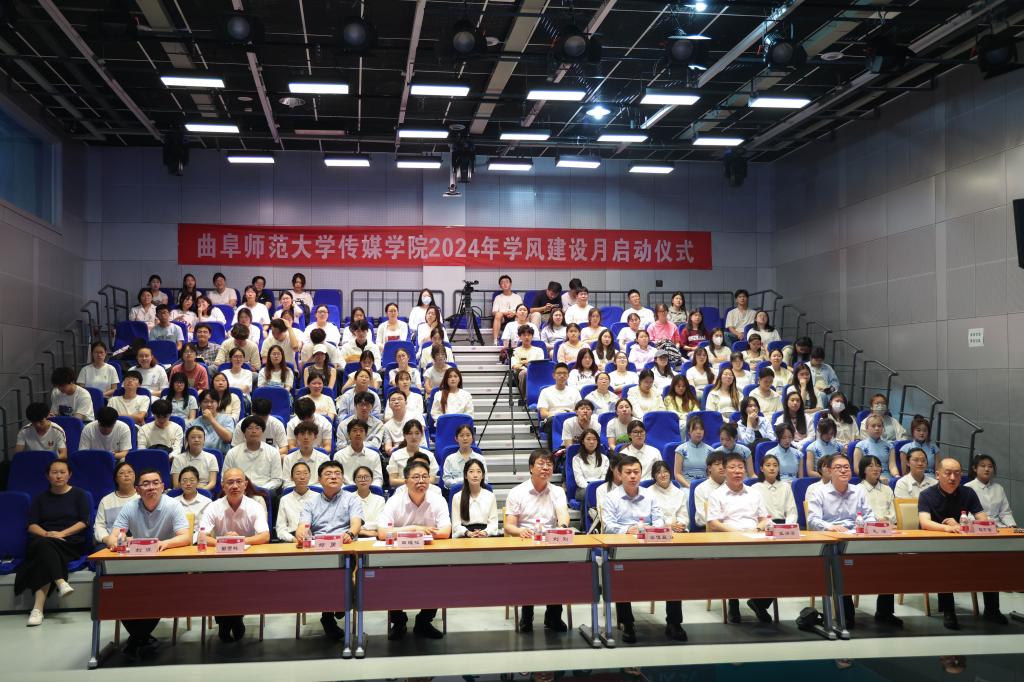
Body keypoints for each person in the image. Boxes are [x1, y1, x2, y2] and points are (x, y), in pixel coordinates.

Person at [807, 454, 900, 628]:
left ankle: (884, 612)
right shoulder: (818, 492)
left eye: (847, 467)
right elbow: (812, 520)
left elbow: (869, 515)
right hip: (833, 541)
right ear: (829, 471)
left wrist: (871, 526)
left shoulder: (858, 491)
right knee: (841, 563)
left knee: (888, 559)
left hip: (858, 538)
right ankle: (846, 615)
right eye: (838, 467)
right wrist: (831, 527)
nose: (843, 470)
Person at [601, 454, 687, 644]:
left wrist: (648, 530)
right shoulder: (611, 498)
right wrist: (628, 530)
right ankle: (628, 624)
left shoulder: (650, 495)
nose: (633, 476)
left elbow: (659, 520)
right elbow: (608, 526)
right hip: (624, 548)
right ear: (619, 474)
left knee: (673, 572)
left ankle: (674, 622)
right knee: (620, 575)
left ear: (641, 474)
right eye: (628, 472)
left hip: (651, 545)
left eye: (636, 472)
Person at [108, 468, 191, 659]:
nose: (151, 487)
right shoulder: (130, 507)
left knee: (156, 589)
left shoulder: (173, 505)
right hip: (138, 564)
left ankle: (137, 638)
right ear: (137, 489)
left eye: (155, 483)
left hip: (166, 564)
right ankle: (142, 638)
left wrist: (164, 543)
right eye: (145, 484)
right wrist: (118, 541)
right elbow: (114, 536)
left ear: (163, 487)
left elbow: (186, 537)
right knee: (120, 589)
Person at [377, 460, 451, 640]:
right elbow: (382, 533)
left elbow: (445, 531)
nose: (421, 481)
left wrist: (403, 532)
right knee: (390, 579)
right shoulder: (395, 501)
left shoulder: (437, 499)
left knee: (438, 578)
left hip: (429, 555)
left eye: (425, 477)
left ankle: (424, 622)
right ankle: (398, 622)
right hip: (399, 556)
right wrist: (414, 529)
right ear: (406, 481)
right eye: (416, 477)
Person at [198, 467, 270, 643]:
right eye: (230, 482)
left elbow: (265, 536)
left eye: (239, 482)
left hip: (246, 561)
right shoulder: (213, 507)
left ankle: (232, 619)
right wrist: (225, 542)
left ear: (245, 484)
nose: (235, 486)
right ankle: (229, 620)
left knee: (241, 583)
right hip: (219, 561)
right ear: (223, 486)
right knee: (216, 583)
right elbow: (201, 537)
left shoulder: (255, 506)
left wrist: (239, 541)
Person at [16, 459, 90, 627]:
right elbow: (31, 525)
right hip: (45, 539)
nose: (58, 476)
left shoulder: (79, 495)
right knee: (44, 546)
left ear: (69, 475)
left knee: (43, 551)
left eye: (62, 472)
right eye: (54, 472)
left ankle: (37, 609)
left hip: (69, 542)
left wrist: (61, 534)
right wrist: (47, 534)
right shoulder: (40, 498)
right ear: (47, 476)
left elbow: (84, 522)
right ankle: (60, 582)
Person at [504, 449, 571, 633]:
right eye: (541, 464)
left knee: (559, 569)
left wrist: (562, 527)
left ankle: (554, 616)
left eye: (549, 464)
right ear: (531, 468)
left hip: (550, 541)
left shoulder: (557, 491)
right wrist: (521, 531)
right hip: (526, 542)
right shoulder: (517, 492)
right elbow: (509, 526)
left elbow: (563, 514)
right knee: (528, 571)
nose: (546, 468)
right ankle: (527, 616)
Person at [296, 461, 363, 640]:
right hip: (319, 552)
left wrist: (350, 533)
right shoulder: (310, 503)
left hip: (344, 548)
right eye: (328, 474)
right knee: (324, 579)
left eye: (337, 473)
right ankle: (329, 615)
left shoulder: (352, 499)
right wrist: (301, 533)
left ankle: (340, 605)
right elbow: (303, 525)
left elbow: (356, 523)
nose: (333, 476)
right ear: (319, 479)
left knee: (345, 574)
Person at [706, 452, 773, 623]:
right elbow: (713, 523)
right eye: (732, 467)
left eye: (740, 467)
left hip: (754, 537)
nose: (737, 471)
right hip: (729, 540)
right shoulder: (717, 495)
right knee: (733, 564)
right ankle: (733, 603)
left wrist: (757, 528)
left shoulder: (754, 493)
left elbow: (764, 518)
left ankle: (759, 602)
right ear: (724, 471)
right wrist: (735, 534)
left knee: (777, 564)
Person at [223, 417, 283, 492]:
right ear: (244, 433)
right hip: (238, 490)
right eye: (250, 428)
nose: (254, 431)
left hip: (264, 491)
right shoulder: (232, 453)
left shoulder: (273, 452)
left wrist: (260, 489)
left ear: (262, 432)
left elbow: (277, 479)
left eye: (257, 428)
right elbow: (224, 477)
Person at [94, 461, 138, 547]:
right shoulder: (106, 500)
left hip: (138, 541)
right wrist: (107, 539)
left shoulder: (143, 497)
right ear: (116, 479)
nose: (126, 475)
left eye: (130, 472)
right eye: (121, 473)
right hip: (111, 541)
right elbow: (99, 525)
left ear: (135, 476)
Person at [452, 459, 499, 537]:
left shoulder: (490, 496)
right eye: (471, 471)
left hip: (485, 536)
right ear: (465, 475)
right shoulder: (457, 497)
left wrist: (485, 532)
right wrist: (468, 533)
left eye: (478, 472)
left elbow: (493, 523)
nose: (475, 475)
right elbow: (456, 525)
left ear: (483, 475)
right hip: (465, 536)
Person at [966, 454, 1016, 527]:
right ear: (974, 468)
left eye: (990, 466)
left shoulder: (999, 488)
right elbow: (968, 515)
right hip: (977, 528)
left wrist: (1012, 526)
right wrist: (987, 522)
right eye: (983, 466)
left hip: (999, 527)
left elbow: (1005, 513)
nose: (987, 469)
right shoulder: (968, 487)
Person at [333, 419, 384, 486]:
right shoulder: (339, 456)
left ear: (365, 435)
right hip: (346, 490)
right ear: (348, 434)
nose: (358, 434)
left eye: (361, 431)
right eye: (354, 430)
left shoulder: (374, 455)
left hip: (369, 489)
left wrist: (369, 489)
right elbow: (337, 478)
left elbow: (378, 479)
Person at [386, 420, 437, 488]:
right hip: (402, 489)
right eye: (410, 433)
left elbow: (432, 479)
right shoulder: (395, 455)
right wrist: (413, 482)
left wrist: (417, 482)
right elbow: (392, 481)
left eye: (417, 433)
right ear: (404, 435)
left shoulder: (429, 455)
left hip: (425, 489)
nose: (413, 437)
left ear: (422, 435)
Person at [172, 425, 219, 490]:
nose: (196, 440)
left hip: (204, 490)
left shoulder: (211, 458)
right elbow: (176, 484)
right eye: (193, 437)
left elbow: (212, 483)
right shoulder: (178, 459)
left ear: (204, 440)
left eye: (200, 437)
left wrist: (202, 491)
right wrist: (192, 489)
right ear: (187, 440)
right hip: (183, 491)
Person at [569, 428, 608, 504]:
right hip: (584, 489)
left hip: (601, 487)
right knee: (588, 494)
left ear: (597, 442)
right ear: (583, 441)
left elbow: (605, 477)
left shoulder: (604, 458)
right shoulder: (577, 459)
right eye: (588, 439)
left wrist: (598, 488)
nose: (592, 442)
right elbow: (579, 479)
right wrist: (591, 488)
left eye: (594, 439)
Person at [853, 414, 896, 481]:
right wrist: (877, 478)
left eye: (879, 426)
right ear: (867, 428)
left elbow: (892, 466)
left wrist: (897, 476)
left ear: (883, 428)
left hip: (887, 479)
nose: (877, 428)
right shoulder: (860, 446)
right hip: (868, 479)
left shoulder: (889, 446)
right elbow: (857, 469)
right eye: (873, 426)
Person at [674, 414, 713, 487]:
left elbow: (711, 474)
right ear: (689, 431)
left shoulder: (710, 451)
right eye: (695, 429)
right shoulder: (680, 449)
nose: (699, 432)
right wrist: (690, 487)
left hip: (704, 486)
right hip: (686, 486)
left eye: (701, 429)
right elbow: (677, 474)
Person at [649, 460, 688, 530]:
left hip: (678, 530)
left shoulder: (680, 493)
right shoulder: (648, 493)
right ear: (654, 476)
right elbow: (649, 519)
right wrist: (667, 526)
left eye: (665, 471)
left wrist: (679, 525)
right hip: (657, 531)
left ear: (670, 473)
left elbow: (683, 516)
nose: (663, 475)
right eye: (658, 472)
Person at [859, 455, 896, 526]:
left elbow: (894, 511)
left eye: (878, 466)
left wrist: (886, 519)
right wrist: (875, 521)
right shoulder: (858, 490)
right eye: (871, 466)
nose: (875, 469)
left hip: (888, 527)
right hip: (867, 527)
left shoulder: (887, 489)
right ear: (863, 470)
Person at [692, 450, 726, 526]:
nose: (721, 467)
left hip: (732, 527)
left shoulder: (732, 486)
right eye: (717, 464)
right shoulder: (700, 489)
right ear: (709, 468)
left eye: (724, 464)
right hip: (707, 528)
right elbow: (702, 516)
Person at [512, 325, 545, 396]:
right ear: (520, 337)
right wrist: (527, 365)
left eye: (529, 335)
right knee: (524, 373)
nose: (527, 337)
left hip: (536, 371)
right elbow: (514, 366)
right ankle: (525, 398)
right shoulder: (515, 351)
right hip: (521, 372)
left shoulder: (539, 350)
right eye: (524, 335)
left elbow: (540, 364)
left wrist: (524, 363)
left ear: (532, 336)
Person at [492, 275, 524, 344]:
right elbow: (494, 312)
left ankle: (518, 340)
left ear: (510, 284)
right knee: (498, 314)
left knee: (520, 314)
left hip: (515, 316)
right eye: (502, 283)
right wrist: (505, 313)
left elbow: (522, 309)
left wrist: (514, 313)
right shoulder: (498, 297)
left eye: (507, 282)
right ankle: (495, 340)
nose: (505, 284)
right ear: (500, 286)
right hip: (502, 318)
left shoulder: (517, 297)